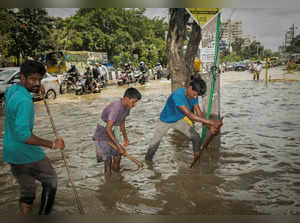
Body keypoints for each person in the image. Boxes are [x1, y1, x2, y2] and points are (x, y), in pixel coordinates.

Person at [3, 60, 65, 215]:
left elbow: (15, 92)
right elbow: (24, 136)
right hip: (26, 152)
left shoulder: (13, 90)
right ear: (22, 78)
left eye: (39, 79)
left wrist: (35, 88)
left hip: (11, 152)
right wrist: (52, 144)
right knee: (51, 181)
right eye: (33, 79)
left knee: (27, 192)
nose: (37, 83)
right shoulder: (25, 101)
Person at [145, 77, 223, 164]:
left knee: (196, 137)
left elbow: (199, 114)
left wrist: (210, 126)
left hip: (179, 120)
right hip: (165, 121)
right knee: (154, 144)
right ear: (189, 88)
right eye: (194, 94)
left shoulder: (194, 95)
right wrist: (212, 122)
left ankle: (196, 159)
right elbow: (190, 115)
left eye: (197, 95)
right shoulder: (177, 95)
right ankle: (148, 162)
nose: (195, 97)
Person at [93, 88, 142, 177]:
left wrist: (125, 138)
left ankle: (117, 176)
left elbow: (122, 122)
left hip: (112, 132)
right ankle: (109, 183)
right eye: (133, 102)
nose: (134, 105)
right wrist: (119, 146)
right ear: (127, 98)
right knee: (107, 161)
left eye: (136, 102)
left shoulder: (127, 107)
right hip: (102, 134)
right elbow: (108, 128)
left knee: (118, 156)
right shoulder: (116, 108)